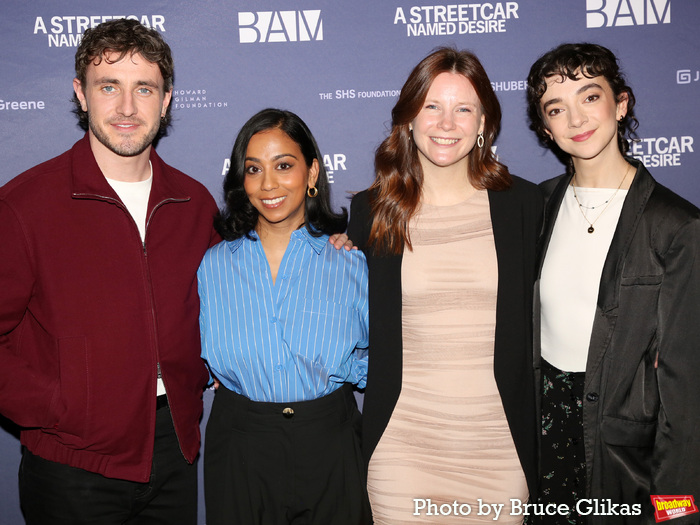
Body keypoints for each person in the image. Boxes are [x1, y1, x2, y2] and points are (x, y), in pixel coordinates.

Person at [0, 19, 220, 524]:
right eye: (108, 87)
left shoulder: (193, 203)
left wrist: (328, 237)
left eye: (144, 88)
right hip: (70, 465)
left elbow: (234, 294)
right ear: (81, 94)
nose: (126, 108)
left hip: (174, 452)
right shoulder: (24, 206)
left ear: (165, 101)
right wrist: (60, 406)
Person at [347, 47, 542, 523]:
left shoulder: (526, 206)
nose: (446, 123)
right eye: (431, 106)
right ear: (409, 118)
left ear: (484, 126)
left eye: (463, 109)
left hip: (498, 446)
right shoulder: (373, 212)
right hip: (403, 447)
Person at [527, 43, 700, 524]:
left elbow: (686, 394)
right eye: (556, 108)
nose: (576, 118)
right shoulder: (533, 209)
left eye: (590, 96)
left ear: (620, 104)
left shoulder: (676, 226)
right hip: (539, 444)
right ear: (546, 128)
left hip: (625, 458)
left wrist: (677, 512)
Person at [198, 108, 371, 525]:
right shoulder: (212, 266)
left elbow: (384, 359)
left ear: (312, 173)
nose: (268, 184)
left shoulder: (352, 262)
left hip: (330, 440)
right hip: (240, 444)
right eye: (254, 169)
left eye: (284, 165)